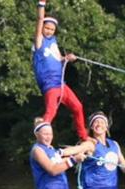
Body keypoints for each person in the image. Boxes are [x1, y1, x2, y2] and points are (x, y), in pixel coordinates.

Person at [33, 2, 87, 140]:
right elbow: (40, 19)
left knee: (78, 107)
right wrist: (41, 5)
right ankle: (41, 138)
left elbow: (59, 59)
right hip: (49, 84)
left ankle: (84, 137)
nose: (49, 31)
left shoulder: (54, 42)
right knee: (51, 111)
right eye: (47, 28)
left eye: (51, 29)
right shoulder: (39, 41)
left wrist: (67, 58)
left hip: (60, 83)